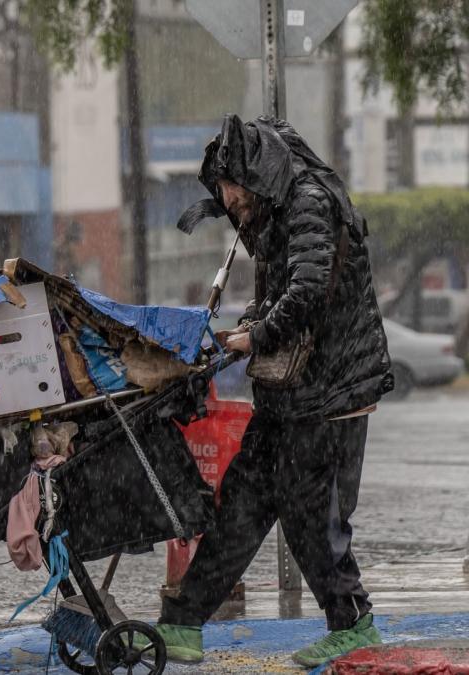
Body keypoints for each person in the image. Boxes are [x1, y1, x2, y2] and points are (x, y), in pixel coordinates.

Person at [152, 114, 394, 668]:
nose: (227, 199)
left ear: (255, 176)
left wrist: (254, 336)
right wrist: (248, 327)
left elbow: (308, 290)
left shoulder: (308, 201)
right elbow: (288, 291)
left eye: (230, 188)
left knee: (311, 516)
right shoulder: (276, 211)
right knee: (242, 504)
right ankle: (183, 621)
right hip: (290, 397)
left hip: (329, 396)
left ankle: (352, 623)